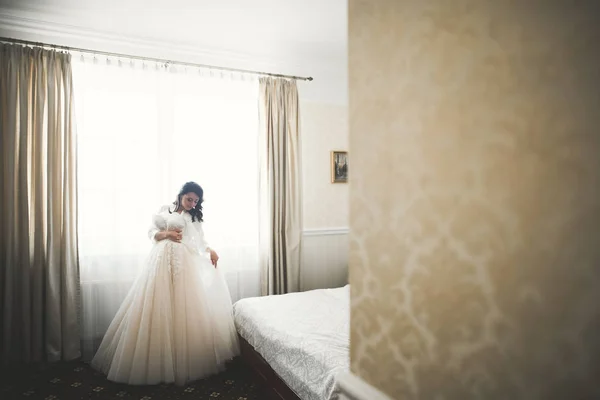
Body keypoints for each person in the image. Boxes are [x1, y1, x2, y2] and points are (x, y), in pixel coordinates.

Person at [91, 181, 240, 385]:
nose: (192, 203)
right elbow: (151, 232)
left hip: (182, 262)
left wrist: (210, 250)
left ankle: (181, 361)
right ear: (180, 195)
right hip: (160, 260)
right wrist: (166, 234)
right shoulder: (165, 210)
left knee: (181, 306)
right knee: (155, 302)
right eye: (189, 199)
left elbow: (200, 240)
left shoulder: (193, 217)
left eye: (196, 201)